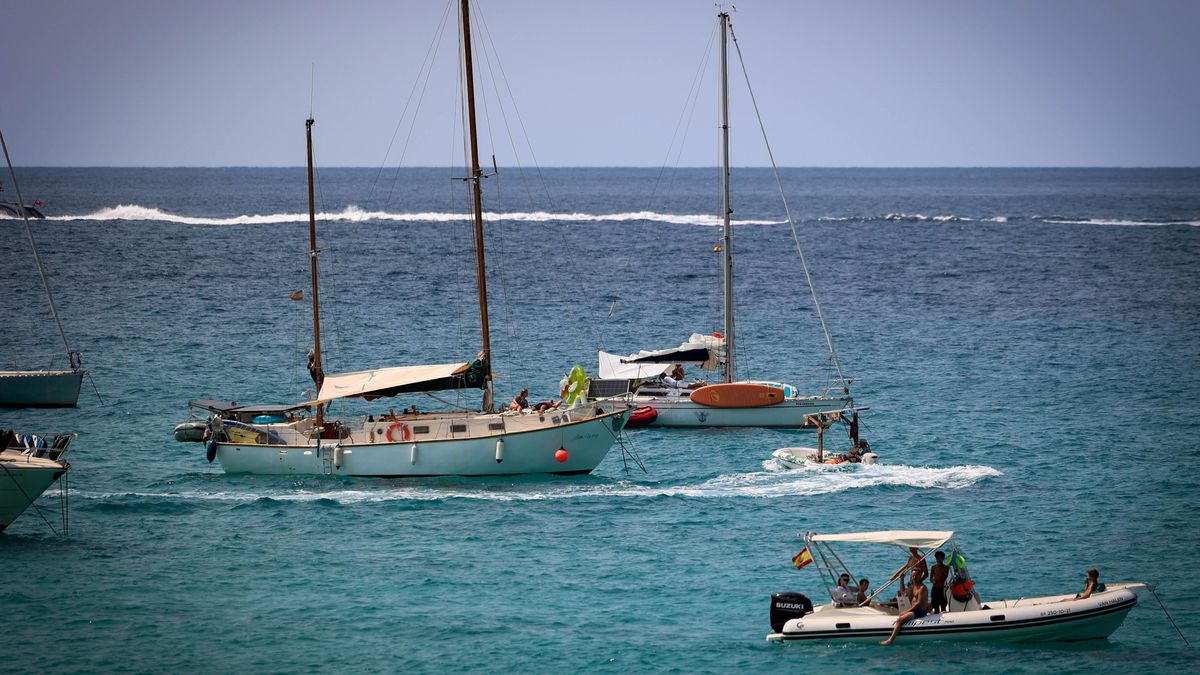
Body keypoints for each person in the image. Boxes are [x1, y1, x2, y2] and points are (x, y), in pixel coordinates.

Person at [880, 577, 929, 646]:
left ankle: (890, 640)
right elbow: (903, 592)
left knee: (900, 620)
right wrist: (901, 579)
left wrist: (907, 611)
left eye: (916, 576)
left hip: (920, 611)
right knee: (900, 615)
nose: (914, 578)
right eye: (913, 576)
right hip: (915, 610)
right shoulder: (913, 587)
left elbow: (919, 603)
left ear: (920, 577)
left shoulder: (922, 588)